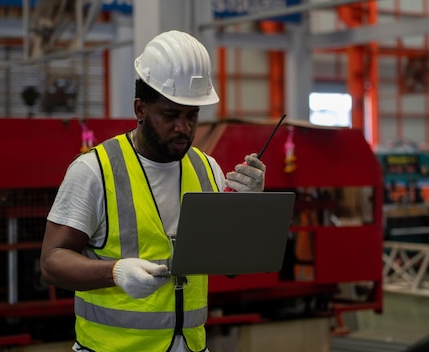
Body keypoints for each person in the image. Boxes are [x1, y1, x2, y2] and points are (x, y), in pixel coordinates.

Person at [40, 30, 266, 352]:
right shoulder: (95, 171)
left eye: (192, 116)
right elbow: (51, 263)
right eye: (171, 115)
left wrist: (247, 210)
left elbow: (229, 269)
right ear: (141, 109)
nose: (183, 128)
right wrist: (115, 272)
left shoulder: (207, 170)